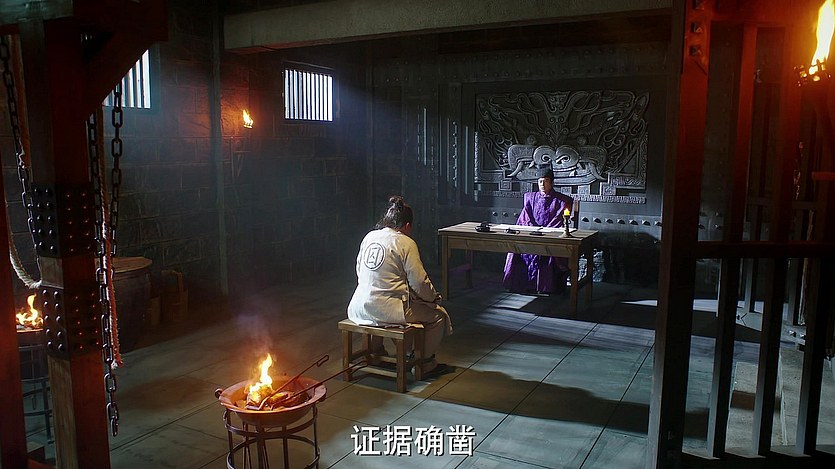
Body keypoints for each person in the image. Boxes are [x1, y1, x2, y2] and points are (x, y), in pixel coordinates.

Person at [347, 195, 453, 377]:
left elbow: (359, 270)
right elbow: (419, 281)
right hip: (389, 309)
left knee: (383, 308)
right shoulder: (405, 242)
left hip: (358, 305)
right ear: (408, 226)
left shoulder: (369, 236)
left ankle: (377, 353)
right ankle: (424, 364)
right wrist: (433, 298)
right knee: (438, 317)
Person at [503, 168, 574, 294]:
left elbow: (559, 220)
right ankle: (519, 284)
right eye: (540, 181)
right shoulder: (530, 197)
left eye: (546, 181)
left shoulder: (562, 200)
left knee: (549, 251)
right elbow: (525, 217)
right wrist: (533, 230)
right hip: (531, 233)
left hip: (550, 236)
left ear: (551, 183)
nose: (542, 184)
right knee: (515, 249)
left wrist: (545, 232)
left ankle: (545, 287)